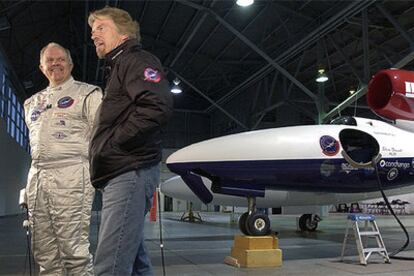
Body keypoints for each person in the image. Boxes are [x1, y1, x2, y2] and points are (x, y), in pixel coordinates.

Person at [88, 6, 173, 276]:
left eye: (101, 27)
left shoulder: (135, 60)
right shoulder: (118, 66)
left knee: (109, 265)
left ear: (123, 34)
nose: (93, 35)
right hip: (123, 170)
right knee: (136, 263)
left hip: (129, 170)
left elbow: (156, 106)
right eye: (92, 30)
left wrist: (114, 145)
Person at [24, 42, 102, 275]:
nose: (55, 63)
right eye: (50, 60)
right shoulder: (31, 103)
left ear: (70, 64)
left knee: (74, 252)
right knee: (44, 253)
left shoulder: (88, 93)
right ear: (41, 67)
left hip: (72, 173)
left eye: (60, 59)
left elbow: (102, 136)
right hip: (37, 177)